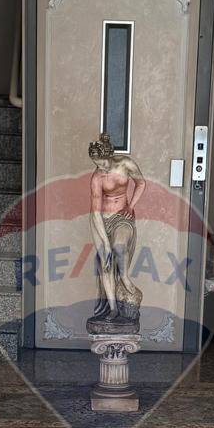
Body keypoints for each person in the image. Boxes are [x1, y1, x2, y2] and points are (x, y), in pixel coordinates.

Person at [86, 131, 145, 332]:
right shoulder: (96, 178)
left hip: (122, 216)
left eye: (102, 163)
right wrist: (104, 243)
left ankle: (125, 279)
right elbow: (95, 213)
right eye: (96, 164)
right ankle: (112, 309)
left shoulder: (126, 164)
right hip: (101, 221)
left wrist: (131, 206)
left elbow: (141, 183)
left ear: (109, 156)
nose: (100, 167)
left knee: (120, 247)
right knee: (106, 264)